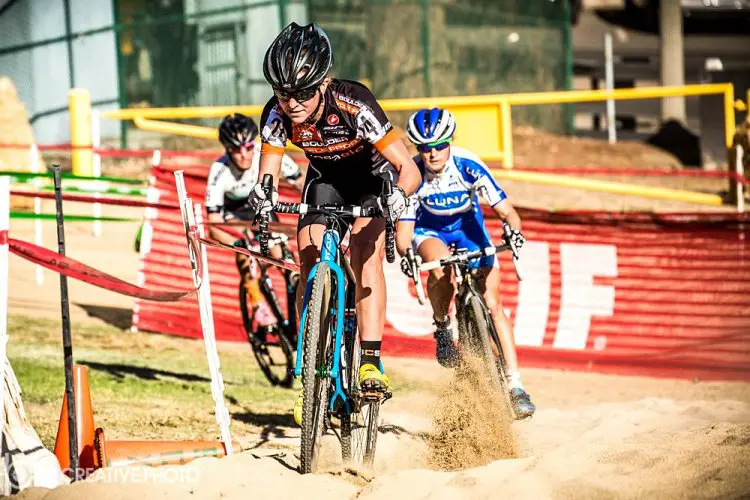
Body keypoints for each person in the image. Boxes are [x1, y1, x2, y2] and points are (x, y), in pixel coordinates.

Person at [247, 22, 422, 425]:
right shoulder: (276, 113)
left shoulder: (353, 101)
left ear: (324, 82)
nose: (292, 103)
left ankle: (371, 363)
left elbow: (407, 168)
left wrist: (397, 196)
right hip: (326, 182)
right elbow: (268, 174)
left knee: (365, 254)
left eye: (303, 92)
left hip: (371, 182)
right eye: (282, 92)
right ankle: (311, 378)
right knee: (308, 259)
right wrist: (263, 195)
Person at [396, 107, 536, 420]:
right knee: (440, 263)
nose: (432, 154)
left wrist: (513, 229)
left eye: (439, 146)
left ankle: (516, 385)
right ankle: (443, 326)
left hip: (469, 229)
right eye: (424, 148)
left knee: (493, 303)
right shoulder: (412, 174)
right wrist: (407, 254)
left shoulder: (468, 165)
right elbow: (403, 235)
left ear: (450, 142)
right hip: (429, 231)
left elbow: (507, 211)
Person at [205, 113, 303, 331]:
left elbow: (300, 183)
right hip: (235, 215)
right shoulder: (219, 171)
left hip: (262, 210)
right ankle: (257, 301)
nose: (243, 155)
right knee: (245, 248)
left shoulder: (266, 154)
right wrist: (237, 243)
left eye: (248, 147)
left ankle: (301, 308)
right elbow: (213, 222)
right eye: (235, 150)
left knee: (284, 257)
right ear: (226, 149)